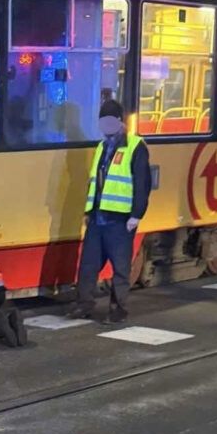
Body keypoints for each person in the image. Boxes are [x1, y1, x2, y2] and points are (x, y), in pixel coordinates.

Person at [66, 98, 152, 324]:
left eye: (109, 121)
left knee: (121, 268)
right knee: (88, 265)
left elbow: (142, 183)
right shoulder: (102, 147)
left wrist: (136, 215)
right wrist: (89, 210)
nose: (105, 126)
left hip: (120, 220)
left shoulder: (135, 146)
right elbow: (95, 181)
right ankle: (84, 304)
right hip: (98, 217)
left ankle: (118, 310)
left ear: (119, 121)